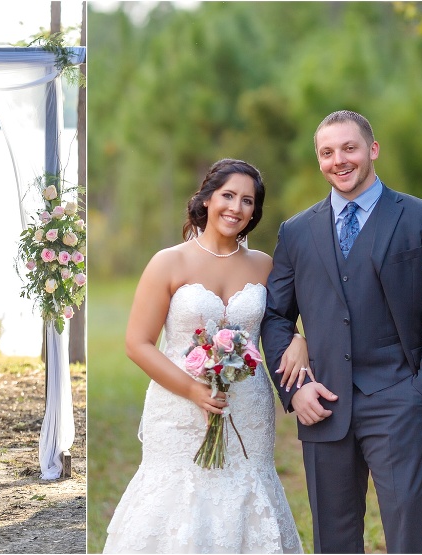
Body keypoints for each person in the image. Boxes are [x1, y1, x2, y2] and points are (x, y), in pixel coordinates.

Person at [261, 110, 422, 553]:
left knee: (409, 525)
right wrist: (295, 391)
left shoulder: (421, 218)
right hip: (322, 402)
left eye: (349, 148)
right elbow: (275, 315)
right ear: (319, 160)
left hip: (399, 396)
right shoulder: (296, 232)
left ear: (372, 150)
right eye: (327, 152)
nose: (339, 160)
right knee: (333, 536)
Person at [103, 159, 306, 554]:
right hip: (180, 407)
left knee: (247, 487)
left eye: (247, 201)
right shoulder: (169, 261)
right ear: (207, 199)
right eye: (228, 195)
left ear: (255, 211)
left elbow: (285, 321)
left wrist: (302, 340)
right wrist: (193, 391)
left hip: (247, 407)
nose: (236, 207)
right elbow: (137, 343)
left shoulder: (265, 265)